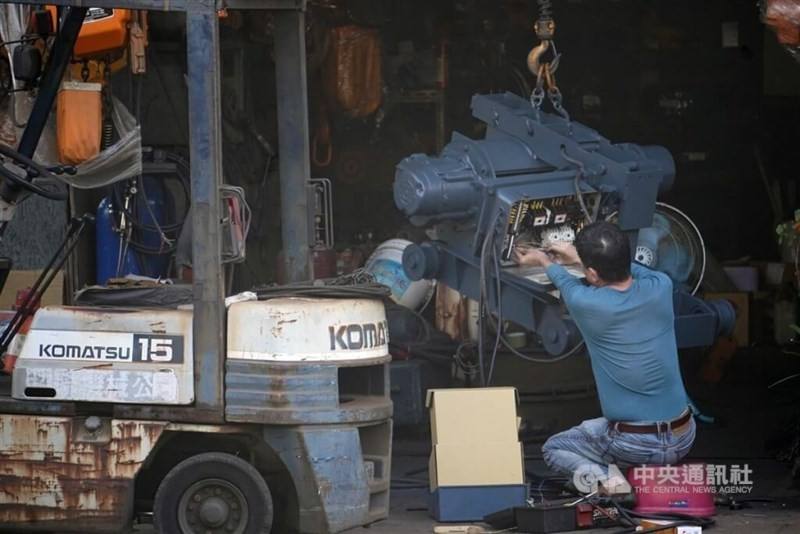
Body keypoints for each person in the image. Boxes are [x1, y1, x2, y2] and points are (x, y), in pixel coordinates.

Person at [514, 221, 695, 494]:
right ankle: (625, 476)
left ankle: (612, 485)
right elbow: (629, 270)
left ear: (592, 274)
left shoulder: (587, 303)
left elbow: (560, 278)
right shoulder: (661, 286)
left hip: (635, 444)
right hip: (684, 436)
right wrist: (580, 259)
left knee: (554, 449)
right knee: (592, 427)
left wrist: (541, 257)